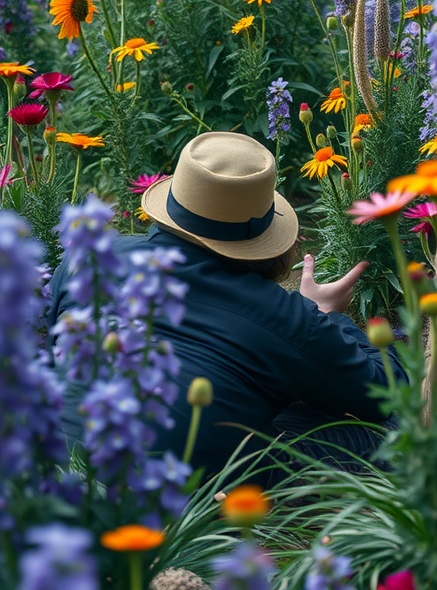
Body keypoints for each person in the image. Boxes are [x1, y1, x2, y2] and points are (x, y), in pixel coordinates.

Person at [48, 130, 405, 480]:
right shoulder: (285, 317)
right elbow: (383, 395)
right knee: (375, 431)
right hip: (177, 498)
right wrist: (328, 318)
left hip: (54, 466)